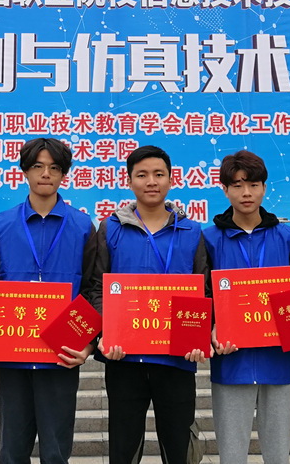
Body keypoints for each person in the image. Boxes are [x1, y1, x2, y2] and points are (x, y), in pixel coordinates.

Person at [0, 137, 97, 464]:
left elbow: (92, 289)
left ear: (64, 174)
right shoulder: (0, 225)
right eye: (38, 166)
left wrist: (86, 343)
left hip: (61, 354)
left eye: (54, 168)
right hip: (12, 354)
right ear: (25, 171)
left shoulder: (83, 226)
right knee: (12, 451)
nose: (46, 174)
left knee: (56, 451)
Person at [92, 145, 210, 464]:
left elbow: (203, 290)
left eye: (159, 174)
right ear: (129, 181)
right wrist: (106, 332)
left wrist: (197, 335)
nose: (151, 181)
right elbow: (97, 288)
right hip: (124, 358)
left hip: (176, 359)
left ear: (171, 179)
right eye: (142, 175)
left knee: (178, 446)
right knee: (124, 447)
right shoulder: (111, 228)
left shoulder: (191, 231)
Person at [204, 150, 290, 464]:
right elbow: (205, 293)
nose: (246, 193)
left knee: (278, 454)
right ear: (225, 189)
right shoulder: (209, 239)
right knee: (231, 455)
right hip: (231, 360)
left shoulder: (287, 236)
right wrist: (211, 328)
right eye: (237, 185)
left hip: (277, 359)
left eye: (253, 184)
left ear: (265, 187)